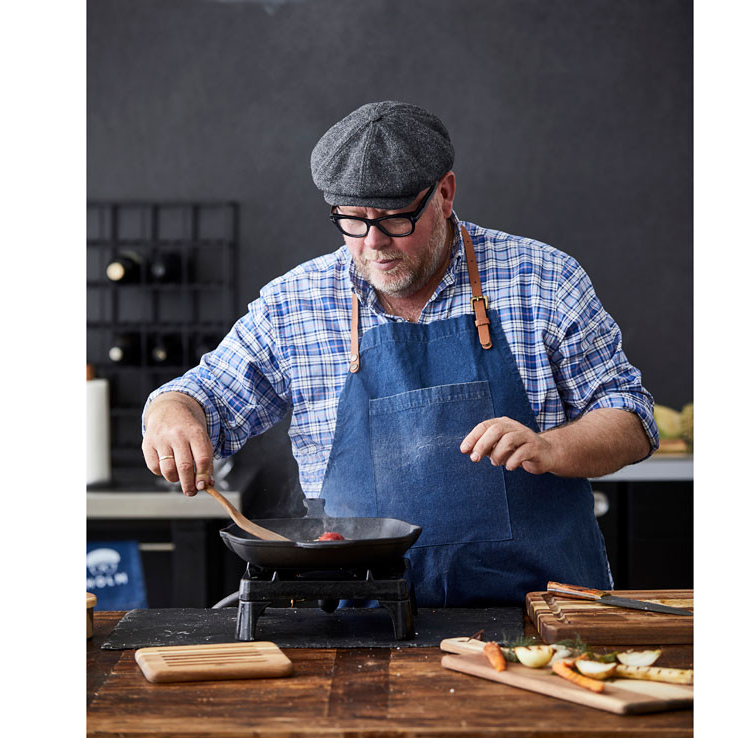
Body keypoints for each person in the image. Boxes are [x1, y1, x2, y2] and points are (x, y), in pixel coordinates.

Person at [141, 101, 658, 607]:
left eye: (395, 219)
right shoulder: (295, 304)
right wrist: (172, 416)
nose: (374, 243)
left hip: (543, 611)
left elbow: (631, 419)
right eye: (352, 220)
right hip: (360, 616)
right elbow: (197, 398)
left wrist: (551, 448)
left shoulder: (543, 280)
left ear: (445, 194)